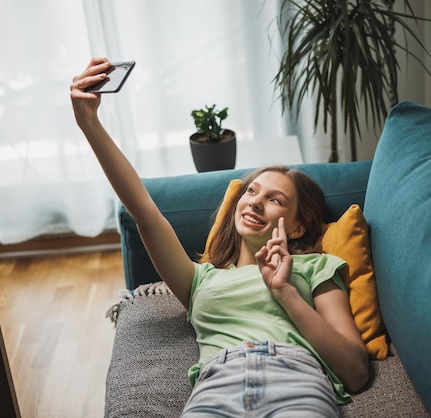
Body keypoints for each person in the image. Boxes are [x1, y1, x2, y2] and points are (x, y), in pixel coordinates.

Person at [70, 57, 369, 417]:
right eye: (252, 191)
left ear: (297, 228)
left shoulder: (317, 268)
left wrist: (286, 293)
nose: (255, 202)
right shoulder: (200, 280)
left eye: (274, 200)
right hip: (217, 386)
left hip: (297, 382)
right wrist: (89, 123)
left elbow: (355, 372)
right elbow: (144, 213)